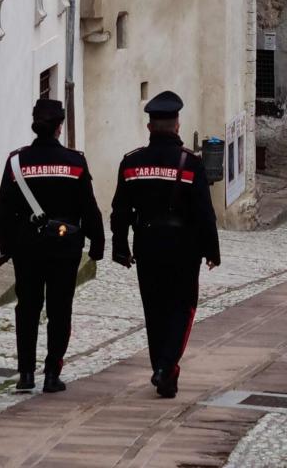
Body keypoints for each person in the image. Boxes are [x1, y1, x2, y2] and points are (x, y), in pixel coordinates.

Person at [110, 91, 220, 398]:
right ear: (177, 125)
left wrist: (120, 247)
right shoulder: (190, 163)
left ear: (149, 127)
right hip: (184, 247)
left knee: (154, 309)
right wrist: (212, 251)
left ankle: (162, 369)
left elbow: (120, 210)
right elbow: (204, 213)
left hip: (146, 243)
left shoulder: (132, 162)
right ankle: (166, 366)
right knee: (183, 308)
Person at [0, 99, 105, 393]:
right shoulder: (75, 162)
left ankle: (26, 374)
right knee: (60, 310)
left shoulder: (16, 162)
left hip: (27, 247)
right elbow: (88, 206)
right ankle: (52, 374)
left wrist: (5, 246)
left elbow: (3, 210)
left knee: (27, 309)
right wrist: (98, 243)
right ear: (60, 127)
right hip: (64, 247)